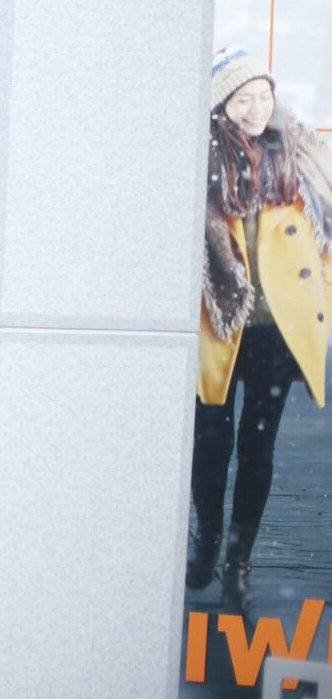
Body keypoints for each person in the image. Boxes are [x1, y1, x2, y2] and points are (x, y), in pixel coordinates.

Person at [189, 47, 332, 615]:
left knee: (258, 447)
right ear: (220, 105)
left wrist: (323, 299)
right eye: (241, 98)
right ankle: (206, 540)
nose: (255, 108)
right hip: (220, 325)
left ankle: (238, 559)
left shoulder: (298, 154)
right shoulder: (198, 159)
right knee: (210, 442)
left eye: (262, 95)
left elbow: (326, 239)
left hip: (277, 328)